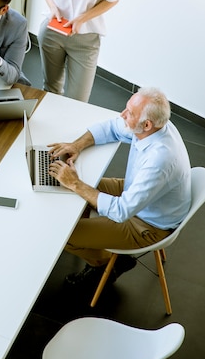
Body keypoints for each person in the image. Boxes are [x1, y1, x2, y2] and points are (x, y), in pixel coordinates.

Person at [47, 87, 191, 292]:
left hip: (147, 223)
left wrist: (76, 184)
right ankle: (92, 235)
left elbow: (121, 211)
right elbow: (113, 128)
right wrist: (76, 145)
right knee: (75, 184)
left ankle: (109, 263)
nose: (122, 114)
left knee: (64, 234)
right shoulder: (156, 125)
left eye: (129, 113)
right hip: (138, 195)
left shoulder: (160, 160)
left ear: (147, 124)